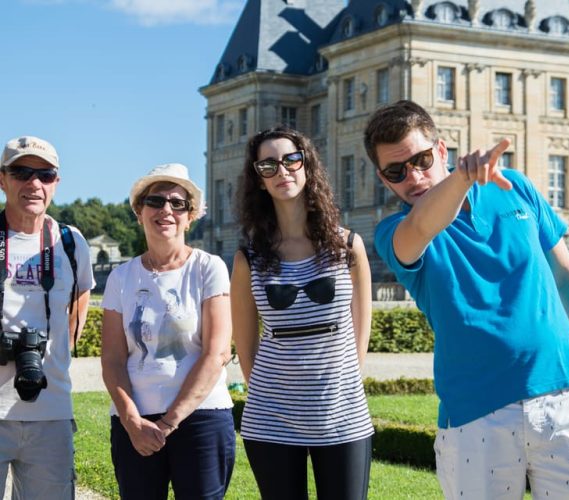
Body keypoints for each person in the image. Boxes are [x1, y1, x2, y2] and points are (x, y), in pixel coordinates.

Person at [364, 100, 569, 498]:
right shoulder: (393, 232)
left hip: (565, 393)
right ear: (382, 178)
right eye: (396, 171)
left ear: (441, 150)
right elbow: (423, 224)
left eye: (422, 159)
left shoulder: (516, 188)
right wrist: (461, 179)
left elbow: (566, 277)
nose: (414, 176)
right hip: (476, 415)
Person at [231, 126, 374, 500]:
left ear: (307, 165)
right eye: (268, 166)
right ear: (259, 180)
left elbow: (361, 331)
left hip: (342, 413)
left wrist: (342, 386)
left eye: (291, 160)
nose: (282, 171)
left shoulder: (348, 246)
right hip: (271, 416)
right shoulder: (250, 257)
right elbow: (246, 345)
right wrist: (270, 393)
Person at [101, 163, 235, 500]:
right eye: (156, 201)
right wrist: (132, 421)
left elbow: (217, 353)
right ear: (139, 212)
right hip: (135, 421)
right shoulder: (121, 278)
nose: (166, 210)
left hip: (202, 417)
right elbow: (113, 359)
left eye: (178, 204)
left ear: (191, 216)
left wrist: (167, 424)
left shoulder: (208, 267)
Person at [0, 136, 95, 499]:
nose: (34, 183)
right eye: (22, 172)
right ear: (2, 179)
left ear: (56, 181)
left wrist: (56, 350)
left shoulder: (70, 242)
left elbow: (81, 294)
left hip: (51, 411)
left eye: (46, 174)